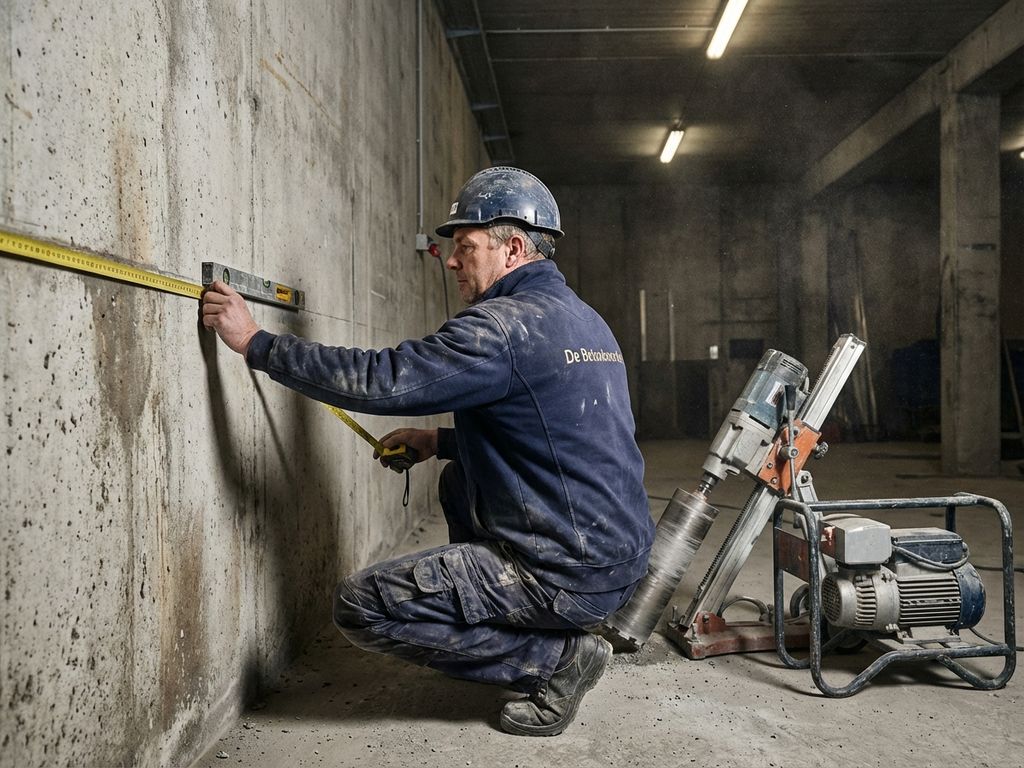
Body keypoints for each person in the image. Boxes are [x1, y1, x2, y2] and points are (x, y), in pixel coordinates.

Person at [201, 166, 654, 737]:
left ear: (513, 248)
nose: (451, 261)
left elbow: (382, 379)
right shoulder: (583, 321)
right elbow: (558, 437)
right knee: (456, 478)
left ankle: (557, 660)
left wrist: (256, 343)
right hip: (615, 559)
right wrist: (436, 440)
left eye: (465, 247)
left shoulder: (501, 328)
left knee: (362, 606)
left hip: (565, 573)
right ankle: (526, 622)